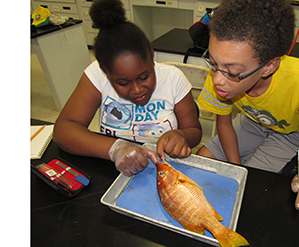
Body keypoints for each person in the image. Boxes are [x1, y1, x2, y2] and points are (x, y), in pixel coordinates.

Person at [196, 0, 299, 216]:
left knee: (255, 189)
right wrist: (236, 167)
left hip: (295, 132)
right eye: (213, 64)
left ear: (268, 66)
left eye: (231, 71)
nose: (218, 79)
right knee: (203, 161)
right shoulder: (222, 73)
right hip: (254, 120)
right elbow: (224, 122)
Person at [53, 0, 202, 177]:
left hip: (165, 170)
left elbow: (195, 131)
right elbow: (63, 130)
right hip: (116, 169)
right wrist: (115, 148)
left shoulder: (172, 78)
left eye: (144, 77)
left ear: (151, 57)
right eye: (123, 83)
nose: (137, 89)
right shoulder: (96, 75)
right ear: (105, 71)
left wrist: (180, 136)